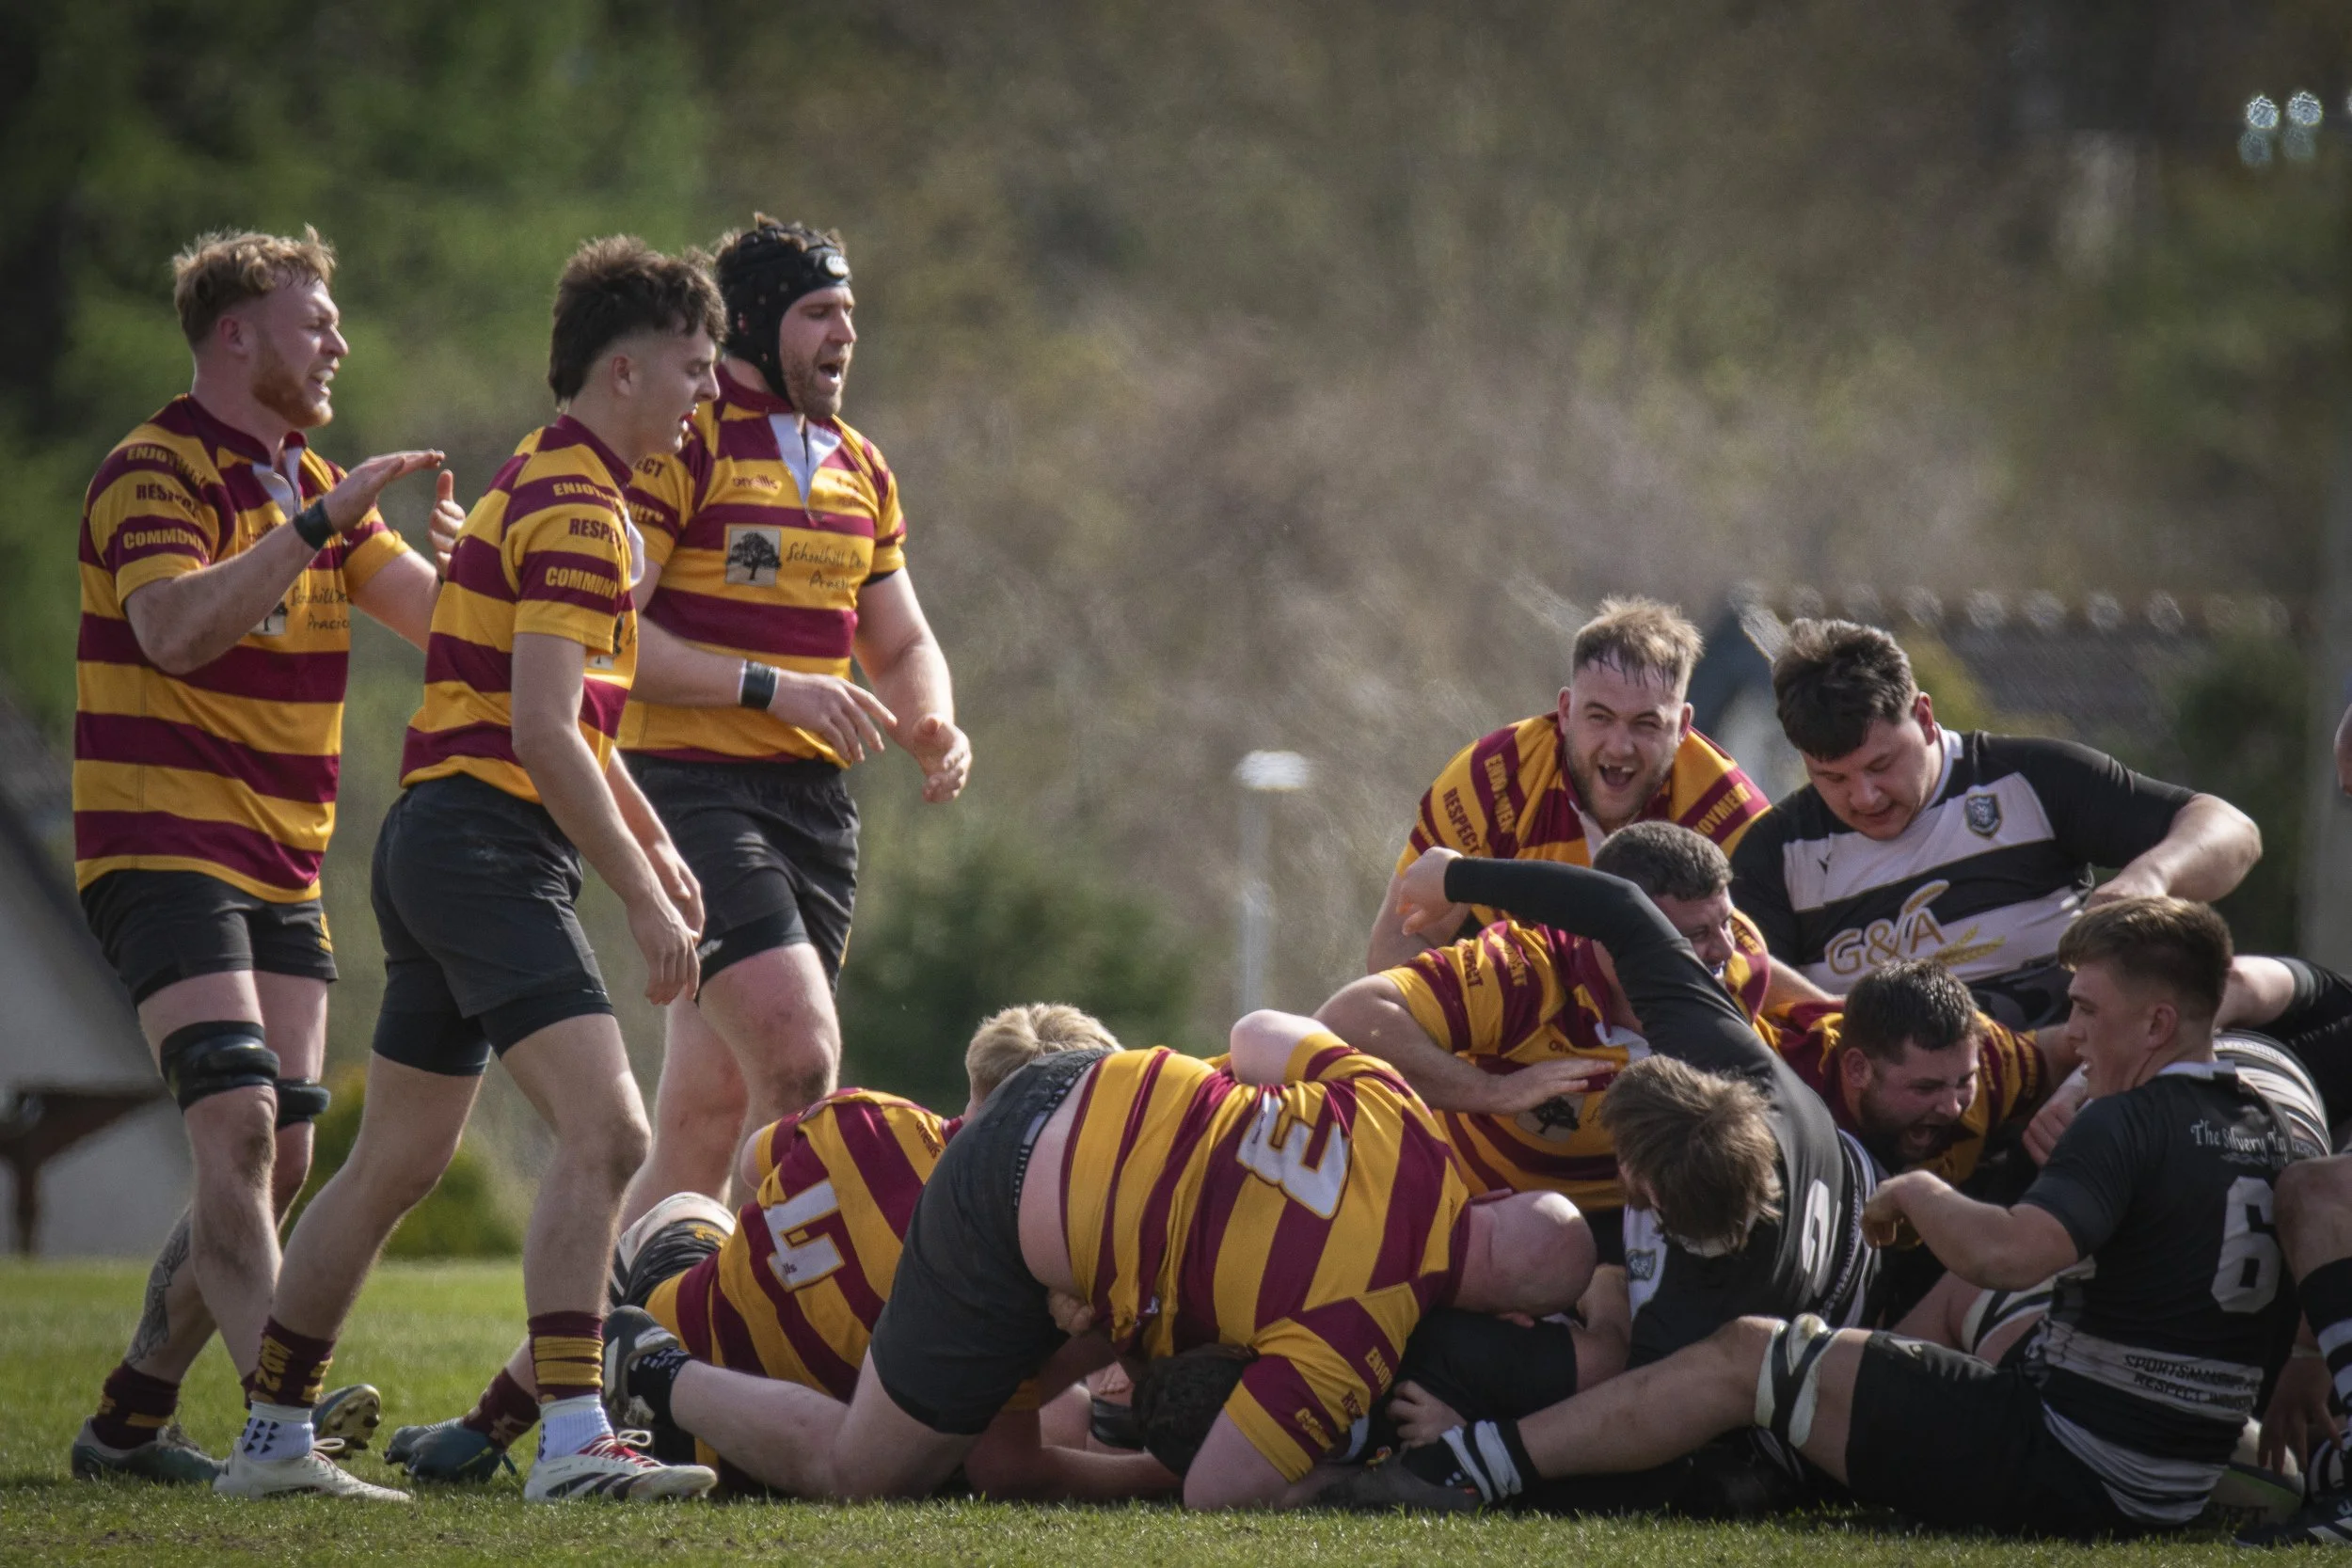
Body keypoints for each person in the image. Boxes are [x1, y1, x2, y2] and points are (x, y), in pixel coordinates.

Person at [211, 237, 723, 1504]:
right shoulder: (579, 509)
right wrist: (641, 894)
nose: (707, 392)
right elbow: (543, 731)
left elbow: (567, 720)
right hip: (485, 846)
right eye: (693, 367)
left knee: (392, 1161)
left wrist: (654, 838)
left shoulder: (545, 479)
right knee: (610, 1129)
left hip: (440, 836)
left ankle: (271, 1437)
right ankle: (573, 1436)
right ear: (622, 371)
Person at [1351, 896, 2307, 1541]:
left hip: (2074, 1459)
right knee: (1953, 1306)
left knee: (1746, 1352)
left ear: (2157, 1022)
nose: (2074, 1032)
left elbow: (2012, 1252)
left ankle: (1469, 1463)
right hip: (2168, 1454)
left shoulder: (2124, 1119)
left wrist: (1917, 1194)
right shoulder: (2259, 1121)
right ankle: (1857, 1428)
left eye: (2089, 1008)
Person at [604, 1010, 1595, 1509]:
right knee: (862, 1471)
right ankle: (654, 1366)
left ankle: (653, 1305)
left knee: (1086, 1331)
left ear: (1492, 1197)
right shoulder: (1361, 1330)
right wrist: (1329, 1478)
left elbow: (1254, 1032)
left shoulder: (1400, 1113)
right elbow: (1214, 1489)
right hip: (1008, 1216)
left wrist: (1225, 1152)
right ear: (1505, 1313)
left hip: (1072, 1085)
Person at [69, 227, 462, 1484]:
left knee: (278, 1153)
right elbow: (176, 630)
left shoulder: (317, 483)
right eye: (315, 320)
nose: (339, 341)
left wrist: (498, 570)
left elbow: (446, 624)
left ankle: (128, 1420)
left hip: (283, 860)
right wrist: (315, 523)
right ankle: (278, 1420)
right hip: (160, 840)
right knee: (238, 1125)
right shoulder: (153, 469)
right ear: (235, 335)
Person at [385, 1004, 1144, 1494]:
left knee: (684, 1210)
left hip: (683, 1320)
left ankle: (494, 1417)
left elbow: (753, 1166)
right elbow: (1004, 1461)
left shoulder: (864, 1116)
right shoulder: (1001, 1263)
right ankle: (610, 1370)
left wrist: (812, 1263)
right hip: (747, 1452)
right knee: (1057, 1411)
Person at [616, 216, 969, 1212]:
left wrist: (932, 722)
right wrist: (772, 686)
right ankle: (761, 1298)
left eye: (848, 312)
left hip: (814, 805)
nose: (844, 333)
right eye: (819, 312)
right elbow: (607, 636)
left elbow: (900, 642)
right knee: (800, 1060)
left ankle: (611, 1309)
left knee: (706, 1115)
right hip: (692, 791)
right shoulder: (685, 442)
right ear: (756, 322)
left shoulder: (861, 465)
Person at [1731, 619, 2261, 1029]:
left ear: (1923, 716)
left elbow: (2233, 831)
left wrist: (2150, 878)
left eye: (1881, 765)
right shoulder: (1776, 852)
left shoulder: (2027, 778)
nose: (1864, 796)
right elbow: (1746, 991)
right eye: (1832, 778)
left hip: (2067, 1082)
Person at [1318, 822, 1786, 1271]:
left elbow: (1796, 1001)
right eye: (1696, 936)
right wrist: (1491, 1092)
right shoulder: (1523, 972)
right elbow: (1348, 1019)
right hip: (1492, 1212)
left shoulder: (1740, 961)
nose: (1724, 950)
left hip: (1648, 1212)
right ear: (1611, 936)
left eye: (1726, 923)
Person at [1366, 597, 1767, 974]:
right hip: (1507, 1001)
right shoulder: (1492, 777)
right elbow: (1398, 942)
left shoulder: (1732, 814)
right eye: (1599, 717)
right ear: (1565, 712)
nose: (1619, 746)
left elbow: (1764, 978)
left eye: (1646, 723)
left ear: (1682, 726)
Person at [1771, 958, 2069, 1184]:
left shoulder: (1990, 1061)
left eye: (1964, 1081)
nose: (1952, 1108)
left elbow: (2072, 1049)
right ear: (1857, 1069)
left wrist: (2075, 1091)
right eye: (1926, 1088)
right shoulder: (1780, 1080)